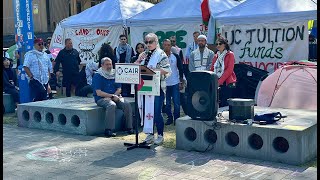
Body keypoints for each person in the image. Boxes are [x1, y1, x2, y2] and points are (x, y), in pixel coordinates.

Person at [134, 33, 171, 145]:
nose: (148, 44)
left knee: (156, 111)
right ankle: (149, 134)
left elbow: (167, 70)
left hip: (157, 87)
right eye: (147, 42)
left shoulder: (161, 54)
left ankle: (160, 135)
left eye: (151, 42)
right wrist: (138, 60)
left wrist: (155, 70)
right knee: (147, 111)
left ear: (156, 42)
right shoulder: (144, 54)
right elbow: (135, 67)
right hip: (145, 86)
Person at [92, 57, 134, 137]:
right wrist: (112, 96)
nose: (109, 66)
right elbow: (99, 92)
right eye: (107, 64)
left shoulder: (114, 74)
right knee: (111, 105)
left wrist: (114, 95)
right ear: (102, 65)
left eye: (110, 64)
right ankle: (109, 130)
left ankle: (129, 127)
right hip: (102, 98)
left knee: (126, 104)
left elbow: (119, 89)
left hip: (114, 96)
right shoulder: (98, 75)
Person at [210, 34, 237, 107]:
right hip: (217, 81)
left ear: (225, 45)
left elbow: (229, 70)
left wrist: (220, 81)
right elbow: (212, 68)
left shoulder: (230, 54)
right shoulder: (216, 55)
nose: (218, 45)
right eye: (217, 44)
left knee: (225, 104)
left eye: (220, 44)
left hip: (226, 82)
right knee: (217, 102)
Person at [162, 39, 184, 126]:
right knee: (167, 104)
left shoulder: (175, 56)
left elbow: (180, 68)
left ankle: (177, 119)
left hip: (175, 82)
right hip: (164, 84)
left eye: (168, 45)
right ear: (163, 45)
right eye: (165, 45)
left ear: (171, 46)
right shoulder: (160, 57)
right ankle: (169, 118)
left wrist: (181, 81)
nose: (167, 46)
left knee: (176, 103)